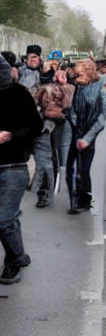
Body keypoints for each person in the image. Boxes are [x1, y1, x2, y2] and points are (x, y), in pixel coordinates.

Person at [0, 54, 43, 284]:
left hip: (13, 165)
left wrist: (11, 135)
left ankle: (15, 258)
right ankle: (16, 257)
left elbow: (36, 125)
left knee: (3, 219)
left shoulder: (19, 95)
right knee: (8, 219)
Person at [66, 59, 106, 214]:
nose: (76, 78)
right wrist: (77, 130)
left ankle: (89, 199)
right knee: (78, 168)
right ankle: (81, 197)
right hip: (79, 132)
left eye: (79, 75)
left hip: (95, 135)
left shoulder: (102, 89)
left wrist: (89, 136)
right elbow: (74, 110)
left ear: (89, 73)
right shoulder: (79, 88)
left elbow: (105, 114)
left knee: (88, 169)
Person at [34, 68, 75, 205]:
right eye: (59, 74)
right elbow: (38, 103)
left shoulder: (71, 89)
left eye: (64, 74)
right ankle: (44, 190)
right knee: (49, 156)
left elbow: (68, 104)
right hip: (48, 124)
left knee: (60, 156)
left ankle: (57, 189)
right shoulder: (46, 89)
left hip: (64, 124)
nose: (62, 77)